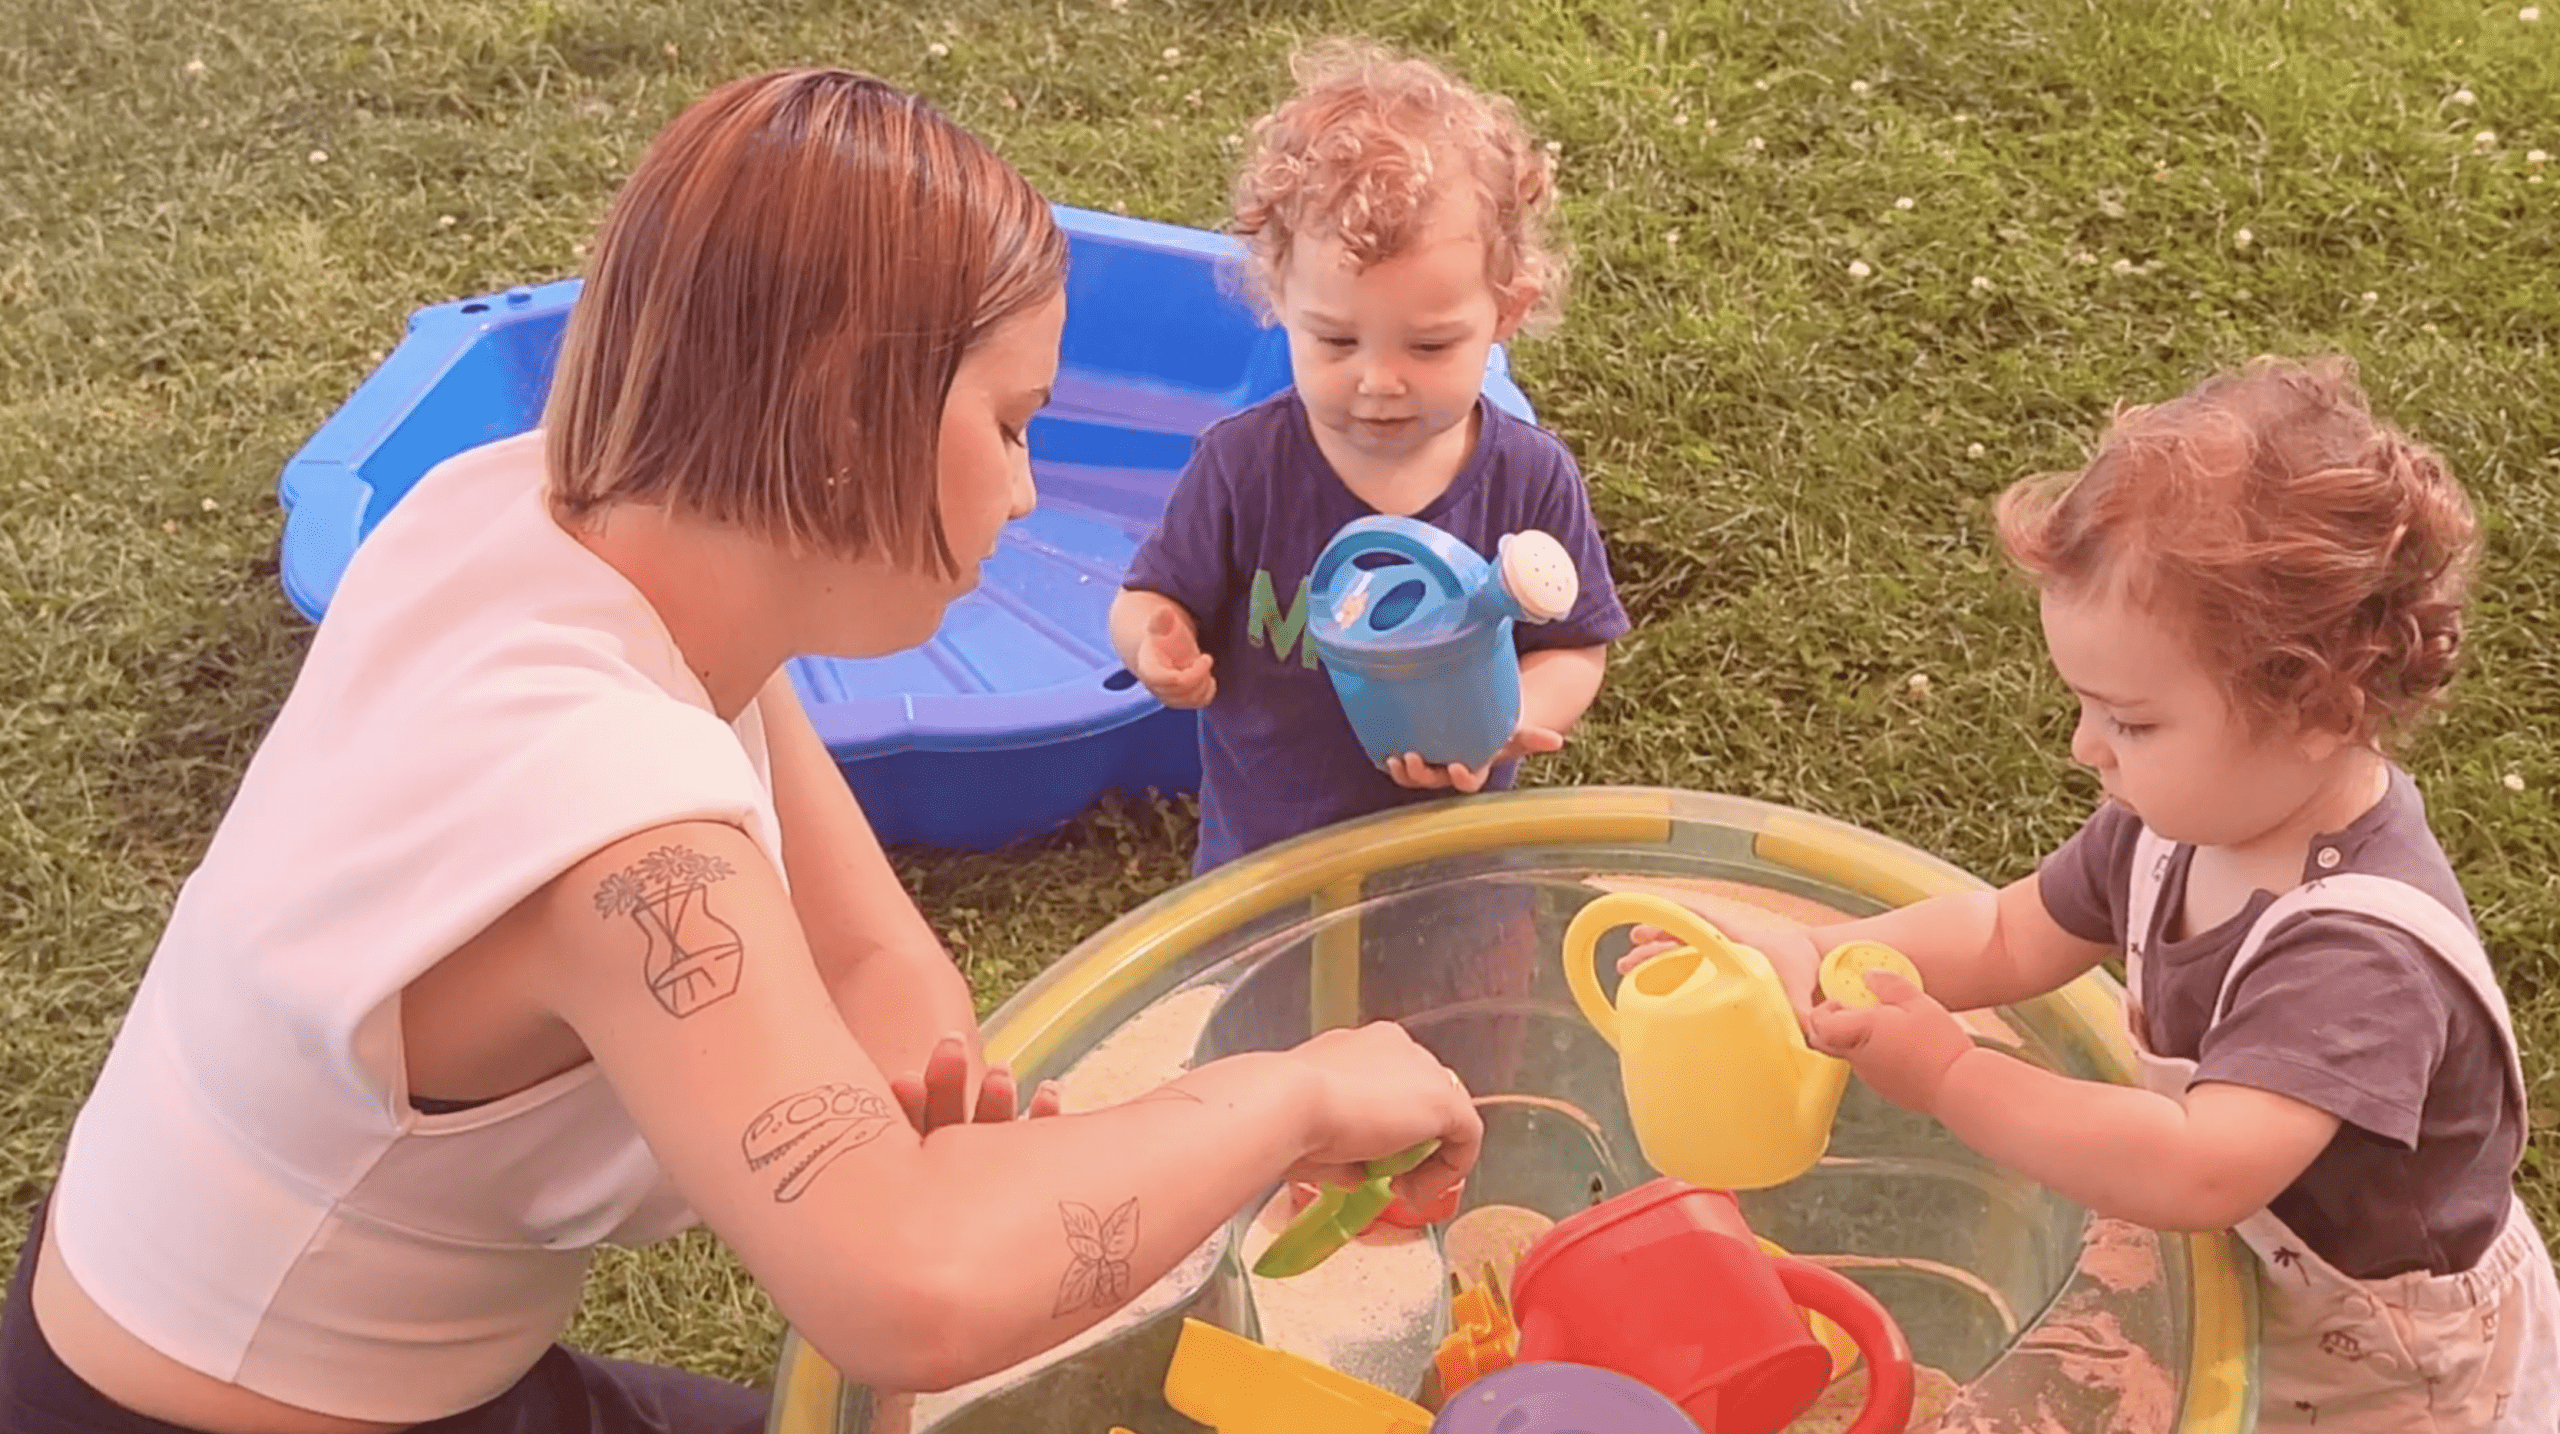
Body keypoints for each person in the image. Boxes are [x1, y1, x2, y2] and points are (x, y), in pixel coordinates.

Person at [0, 68, 1481, 1434]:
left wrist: (933, 1165)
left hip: (238, 1345)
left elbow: (878, 973)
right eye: (1015, 423)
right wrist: (1293, 1091)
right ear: (849, 410)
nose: (1029, 494)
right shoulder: (622, 838)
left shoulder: (539, 516)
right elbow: (917, 1293)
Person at [1636, 357, 2558, 1429]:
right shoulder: (2176, 823)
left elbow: (2195, 1171)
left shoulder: (2356, 960)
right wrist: (1811, 951)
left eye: (2133, 720)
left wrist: (1947, 1074)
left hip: (2385, 1372)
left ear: (2318, 707)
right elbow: (2005, 931)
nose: (2086, 749)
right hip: (2254, 1278)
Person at [1109, 39, 1629, 878]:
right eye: (1337, 339)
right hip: (1267, 862)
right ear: (1278, 294)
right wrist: (1155, 642)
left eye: (1428, 345)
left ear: (1506, 311)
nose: (1378, 382)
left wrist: (1517, 712)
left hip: (1455, 855)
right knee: (1273, 1014)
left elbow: (1573, 644)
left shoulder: (1529, 478)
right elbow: (1151, 596)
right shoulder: (1243, 467)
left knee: (1456, 1006)